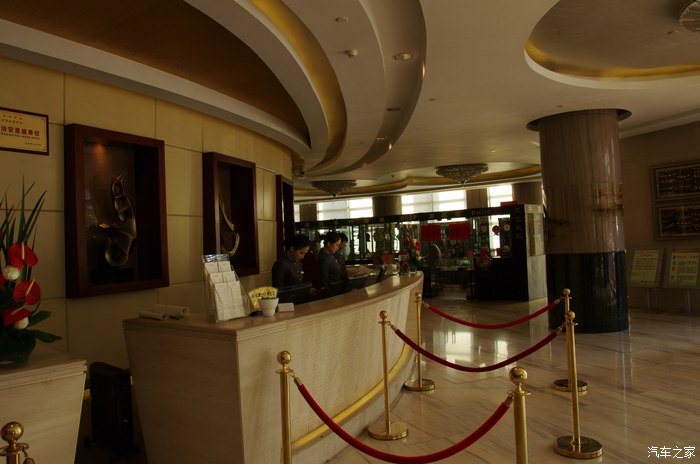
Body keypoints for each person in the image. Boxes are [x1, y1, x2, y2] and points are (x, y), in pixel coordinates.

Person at [317, 231, 343, 298]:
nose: (337, 248)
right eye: (336, 245)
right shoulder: (323, 258)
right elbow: (324, 282)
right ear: (329, 244)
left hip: (336, 290)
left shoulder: (330, 254)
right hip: (331, 293)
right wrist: (332, 296)